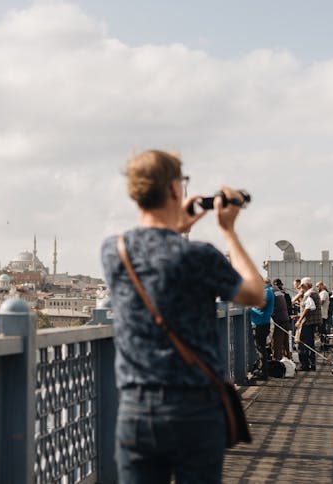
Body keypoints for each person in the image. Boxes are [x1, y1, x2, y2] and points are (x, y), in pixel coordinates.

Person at [101, 150, 265, 483]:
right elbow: (254, 294)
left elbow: (157, 260)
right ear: (176, 190)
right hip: (194, 407)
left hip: (136, 408)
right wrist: (229, 231)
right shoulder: (199, 256)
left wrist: (175, 228)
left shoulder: (113, 250)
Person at [295, 277, 323, 371]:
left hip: (307, 323)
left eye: (302, 285)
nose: (301, 287)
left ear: (306, 285)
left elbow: (309, 307)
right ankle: (312, 364)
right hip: (312, 322)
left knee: (302, 343)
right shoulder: (314, 293)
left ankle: (305, 365)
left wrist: (299, 320)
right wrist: (298, 316)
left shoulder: (309, 294)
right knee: (310, 344)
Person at [250, 279, 274, 379]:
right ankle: (262, 370)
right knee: (260, 347)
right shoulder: (266, 291)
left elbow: (260, 305)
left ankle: (263, 372)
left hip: (261, 323)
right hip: (260, 322)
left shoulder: (266, 291)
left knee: (261, 348)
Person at [271, 278, 292, 360]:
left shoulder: (272, 292)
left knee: (277, 342)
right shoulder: (283, 293)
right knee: (286, 342)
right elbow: (289, 306)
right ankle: (289, 360)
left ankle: (278, 363)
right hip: (286, 318)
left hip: (278, 320)